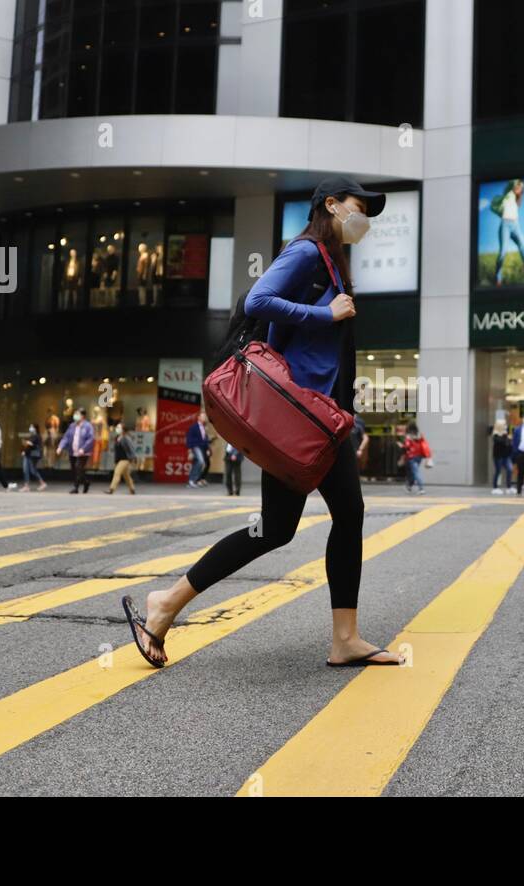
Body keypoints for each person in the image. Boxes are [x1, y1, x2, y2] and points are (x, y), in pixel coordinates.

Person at [122, 175, 399, 669]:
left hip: (315, 417)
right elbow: (259, 301)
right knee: (333, 517)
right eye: (360, 208)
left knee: (277, 527)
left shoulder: (332, 262)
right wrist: (325, 314)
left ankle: (167, 604)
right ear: (332, 206)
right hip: (299, 415)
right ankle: (341, 637)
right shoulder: (309, 253)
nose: (365, 221)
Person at [57, 409, 94, 494]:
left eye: (77, 414)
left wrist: (83, 449)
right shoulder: (72, 426)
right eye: (75, 414)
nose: (75, 416)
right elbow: (66, 437)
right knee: (75, 469)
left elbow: (90, 439)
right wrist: (60, 447)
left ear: (82, 416)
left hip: (83, 452)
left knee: (78, 467)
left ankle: (76, 487)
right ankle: (86, 482)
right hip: (72, 451)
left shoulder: (88, 426)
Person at [107, 422, 137, 495]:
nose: (117, 429)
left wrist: (134, 457)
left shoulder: (126, 438)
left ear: (123, 430)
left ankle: (112, 488)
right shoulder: (117, 438)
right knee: (126, 475)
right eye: (117, 427)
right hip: (119, 459)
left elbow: (131, 448)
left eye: (119, 428)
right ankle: (132, 488)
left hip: (126, 459)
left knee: (117, 472)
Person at [401, 423, 431, 495]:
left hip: (412, 457)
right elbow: (424, 445)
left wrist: (402, 446)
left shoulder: (409, 436)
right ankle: (409, 486)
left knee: (415, 472)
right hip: (419, 457)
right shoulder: (419, 435)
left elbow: (407, 446)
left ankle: (421, 488)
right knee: (413, 472)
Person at [185, 411, 211, 489]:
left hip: (202, 448)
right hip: (195, 447)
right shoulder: (194, 427)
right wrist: (189, 450)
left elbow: (205, 440)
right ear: (198, 418)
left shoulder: (204, 427)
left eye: (205, 417)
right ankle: (193, 480)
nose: (204, 418)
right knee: (200, 461)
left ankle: (192, 481)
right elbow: (189, 438)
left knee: (197, 463)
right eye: (203, 416)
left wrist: (207, 449)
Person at [21, 422, 46, 491]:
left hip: (31, 455)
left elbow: (31, 445)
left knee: (29, 470)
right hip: (29, 455)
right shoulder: (33, 436)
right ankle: (29, 485)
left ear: (35, 428)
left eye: (31, 427)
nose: (30, 428)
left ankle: (40, 483)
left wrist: (27, 445)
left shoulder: (36, 436)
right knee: (30, 470)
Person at [491, 421, 513, 495]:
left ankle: (509, 487)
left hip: (506, 456)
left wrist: (508, 439)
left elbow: (509, 444)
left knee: (510, 469)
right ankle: (495, 488)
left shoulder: (505, 434)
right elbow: (501, 442)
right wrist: (506, 438)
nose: (505, 426)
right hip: (498, 456)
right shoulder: (496, 434)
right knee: (498, 471)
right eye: (504, 425)